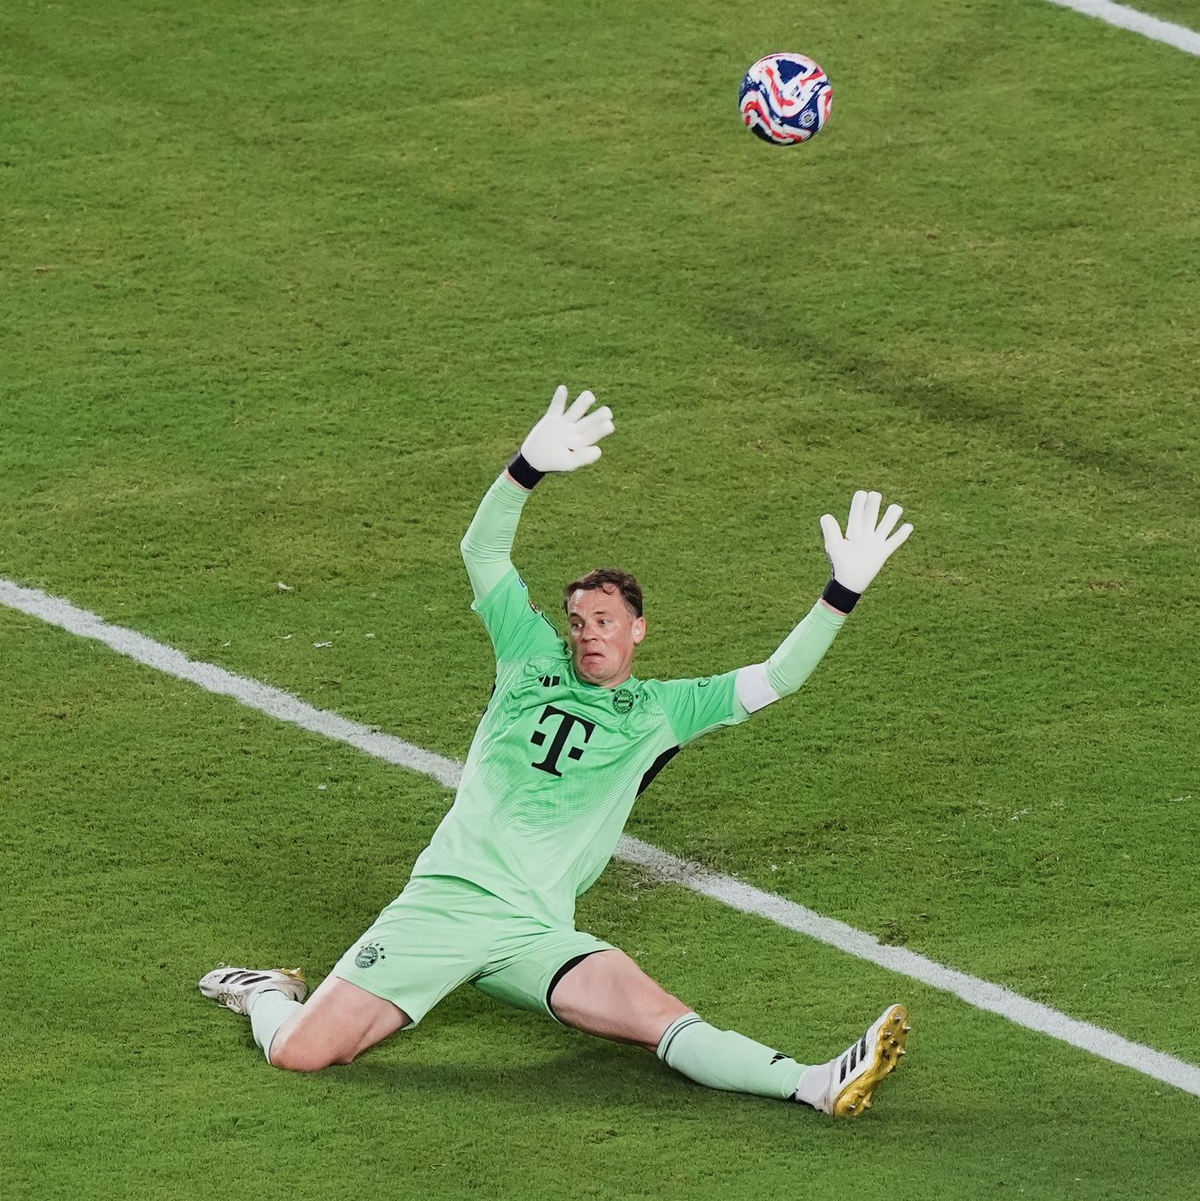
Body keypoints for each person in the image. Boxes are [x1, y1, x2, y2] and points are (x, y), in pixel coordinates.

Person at [200, 386, 914, 1118]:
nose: (587, 632)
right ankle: (264, 993)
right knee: (305, 1053)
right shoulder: (526, 655)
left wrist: (842, 590)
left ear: (639, 630)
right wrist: (525, 468)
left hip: (538, 928)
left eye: (605, 619)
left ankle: (815, 1082)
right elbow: (480, 550)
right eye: (577, 620)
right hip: (446, 905)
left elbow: (777, 677)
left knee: (659, 1016)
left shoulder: (664, 710)